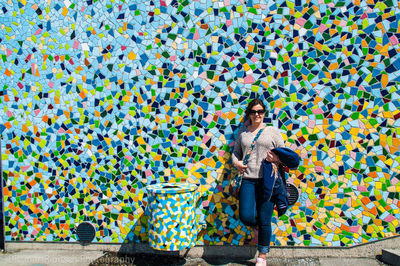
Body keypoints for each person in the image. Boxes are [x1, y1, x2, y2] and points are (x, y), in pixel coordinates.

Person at [232, 98, 286, 266]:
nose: (257, 115)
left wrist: (276, 157)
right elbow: (235, 153)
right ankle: (258, 228)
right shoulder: (243, 132)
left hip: (267, 181)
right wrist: (237, 163)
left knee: (265, 219)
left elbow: (284, 152)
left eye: (260, 111)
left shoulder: (272, 131)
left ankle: (262, 256)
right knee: (246, 216)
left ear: (264, 113)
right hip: (247, 179)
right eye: (254, 112)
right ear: (249, 114)